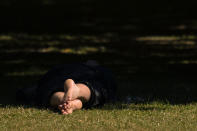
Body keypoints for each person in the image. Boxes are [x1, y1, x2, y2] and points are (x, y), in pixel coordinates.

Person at [16, 61, 117, 115]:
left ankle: (65, 100)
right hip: (91, 76)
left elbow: (30, 92)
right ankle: (76, 94)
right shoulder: (100, 71)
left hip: (56, 78)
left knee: (50, 92)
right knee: (93, 89)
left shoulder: (60, 68)